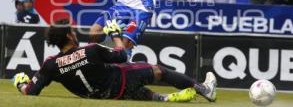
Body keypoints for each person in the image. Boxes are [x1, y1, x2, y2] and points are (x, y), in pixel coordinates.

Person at [13, 18, 217, 102]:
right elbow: (122, 55)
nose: (75, 33)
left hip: (105, 97)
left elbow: (31, 91)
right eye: (72, 31)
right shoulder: (90, 50)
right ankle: (204, 89)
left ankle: (164, 99)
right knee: (158, 71)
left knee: (140, 93)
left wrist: (21, 83)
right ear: (69, 36)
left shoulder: (50, 64)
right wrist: (115, 34)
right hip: (121, 81)